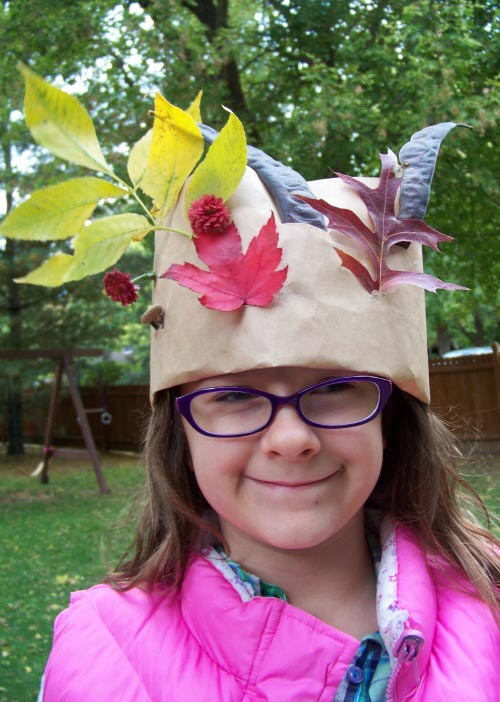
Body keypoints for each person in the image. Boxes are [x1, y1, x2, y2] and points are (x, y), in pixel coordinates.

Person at [35, 103, 498, 700]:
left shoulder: (486, 599)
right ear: (180, 430)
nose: (290, 440)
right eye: (232, 395)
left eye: (334, 389)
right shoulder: (106, 654)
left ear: (392, 415)